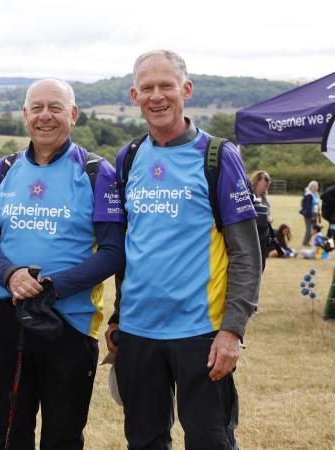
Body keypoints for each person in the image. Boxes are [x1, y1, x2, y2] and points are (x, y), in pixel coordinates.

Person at [105, 50, 261, 450]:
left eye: (166, 86)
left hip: (201, 333)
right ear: (134, 95)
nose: (157, 96)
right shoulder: (129, 157)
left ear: (185, 90)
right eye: (147, 88)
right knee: (144, 441)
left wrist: (232, 331)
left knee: (211, 441)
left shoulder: (217, 157)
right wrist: (118, 318)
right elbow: (130, 247)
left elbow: (246, 253)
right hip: (139, 333)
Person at [0, 79, 125, 450]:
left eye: (55, 107)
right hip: (14, 318)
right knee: (8, 433)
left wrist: (53, 286)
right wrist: (10, 273)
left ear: (73, 114)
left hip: (70, 323)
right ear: (25, 115)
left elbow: (114, 251)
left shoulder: (94, 171)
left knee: (63, 437)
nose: (45, 116)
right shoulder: (5, 169)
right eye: (36, 107)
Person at [251, 171, 272, 270]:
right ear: (258, 181)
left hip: (264, 236)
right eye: (266, 179)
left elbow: (268, 214)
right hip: (252, 235)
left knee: (261, 265)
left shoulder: (264, 198)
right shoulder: (249, 195)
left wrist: (269, 218)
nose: (268, 182)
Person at [301, 180, 320, 246]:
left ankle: (308, 242)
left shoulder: (316, 194)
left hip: (315, 213)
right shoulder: (308, 195)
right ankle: (304, 242)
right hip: (309, 214)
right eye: (316, 186)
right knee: (309, 229)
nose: (317, 188)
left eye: (317, 186)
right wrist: (311, 216)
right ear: (312, 187)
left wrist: (318, 214)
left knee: (314, 229)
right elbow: (308, 206)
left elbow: (317, 205)